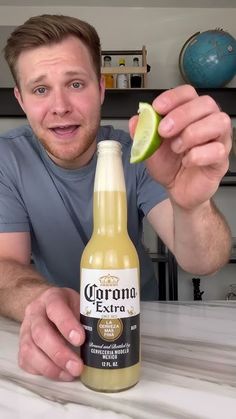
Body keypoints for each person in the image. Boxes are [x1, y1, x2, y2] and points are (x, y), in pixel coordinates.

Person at [0, 14, 232, 382]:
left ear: (101, 89)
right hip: (52, 333)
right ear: (21, 100)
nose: (59, 106)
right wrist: (42, 301)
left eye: (75, 83)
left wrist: (193, 204)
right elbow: (5, 266)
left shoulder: (139, 154)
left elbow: (205, 261)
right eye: (40, 89)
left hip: (139, 334)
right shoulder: (7, 159)